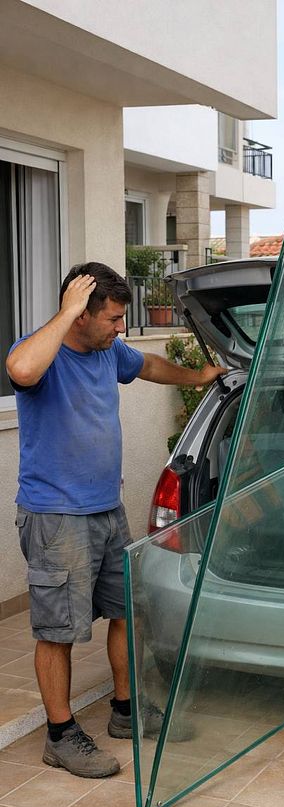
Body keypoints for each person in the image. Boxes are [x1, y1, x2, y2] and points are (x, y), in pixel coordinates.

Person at [6, 261, 226, 779]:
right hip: (57, 517)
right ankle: (60, 737)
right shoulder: (45, 351)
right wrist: (64, 314)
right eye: (112, 319)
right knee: (58, 631)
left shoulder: (109, 355)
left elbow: (147, 366)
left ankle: (126, 712)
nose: (120, 328)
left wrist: (200, 376)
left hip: (107, 509)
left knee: (126, 611)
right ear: (80, 315)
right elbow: (19, 370)